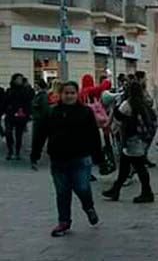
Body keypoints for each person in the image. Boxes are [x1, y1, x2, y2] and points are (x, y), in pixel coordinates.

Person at [42, 81, 101, 237]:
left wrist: (98, 156)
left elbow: (94, 134)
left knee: (82, 187)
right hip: (58, 159)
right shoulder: (53, 112)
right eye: (66, 93)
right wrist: (35, 153)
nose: (69, 96)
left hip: (80, 158)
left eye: (72, 93)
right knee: (62, 192)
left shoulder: (85, 112)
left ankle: (88, 207)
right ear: (60, 94)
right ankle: (64, 222)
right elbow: (42, 133)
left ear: (77, 94)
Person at [102, 81, 156, 203]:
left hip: (131, 139)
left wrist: (114, 107)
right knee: (125, 167)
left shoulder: (128, 104)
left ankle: (147, 192)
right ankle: (115, 190)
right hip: (139, 139)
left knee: (139, 167)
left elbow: (118, 116)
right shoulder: (143, 103)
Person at [4, 73, 33, 160]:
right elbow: (5, 102)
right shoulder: (9, 90)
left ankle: (17, 152)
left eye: (21, 79)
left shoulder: (25, 90)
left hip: (21, 115)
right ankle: (10, 150)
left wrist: (28, 114)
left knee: (18, 135)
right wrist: (5, 110)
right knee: (8, 132)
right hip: (10, 114)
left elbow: (29, 101)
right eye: (18, 79)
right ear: (14, 80)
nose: (20, 80)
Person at [30, 79, 50, 169]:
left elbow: (44, 109)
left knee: (38, 140)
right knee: (38, 140)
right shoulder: (39, 95)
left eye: (36, 84)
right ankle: (34, 157)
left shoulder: (43, 96)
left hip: (40, 121)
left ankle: (34, 157)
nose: (35, 86)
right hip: (38, 120)